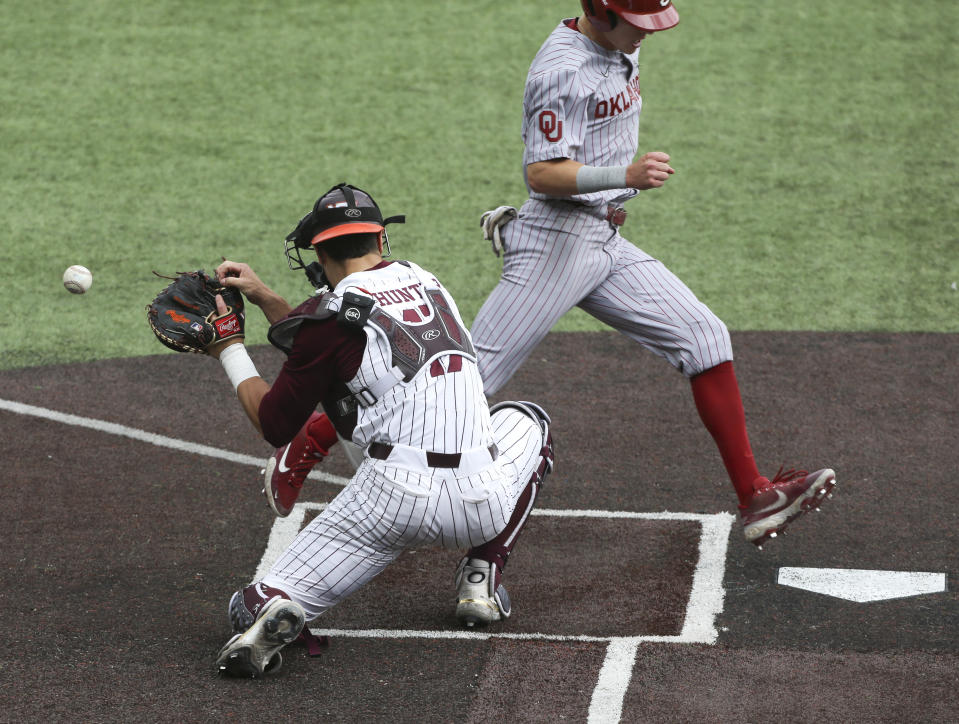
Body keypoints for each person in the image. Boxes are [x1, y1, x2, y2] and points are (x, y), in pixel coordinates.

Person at [472, 0, 835, 548]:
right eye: (638, 23)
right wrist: (626, 173)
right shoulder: (561, 71)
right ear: (599, 11)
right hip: (557, 243)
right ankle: (304, 444)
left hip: (603, 236)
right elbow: (541, 173)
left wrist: (621, 184)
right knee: (465, 382)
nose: (647, 34)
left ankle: (755, 496)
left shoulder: (615, 44)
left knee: (704, 337)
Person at [203, 183, 553, 677]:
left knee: (252, 602)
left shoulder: (325, 323)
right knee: (529, 422)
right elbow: (342, 346)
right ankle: (482, 574)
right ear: (381, 242)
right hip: (484, 497)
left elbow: (276, 421)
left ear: (319, 252)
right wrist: (268, 299)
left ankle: (275, 608)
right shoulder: (428, 281)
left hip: (393, 500)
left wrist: (228, 348)